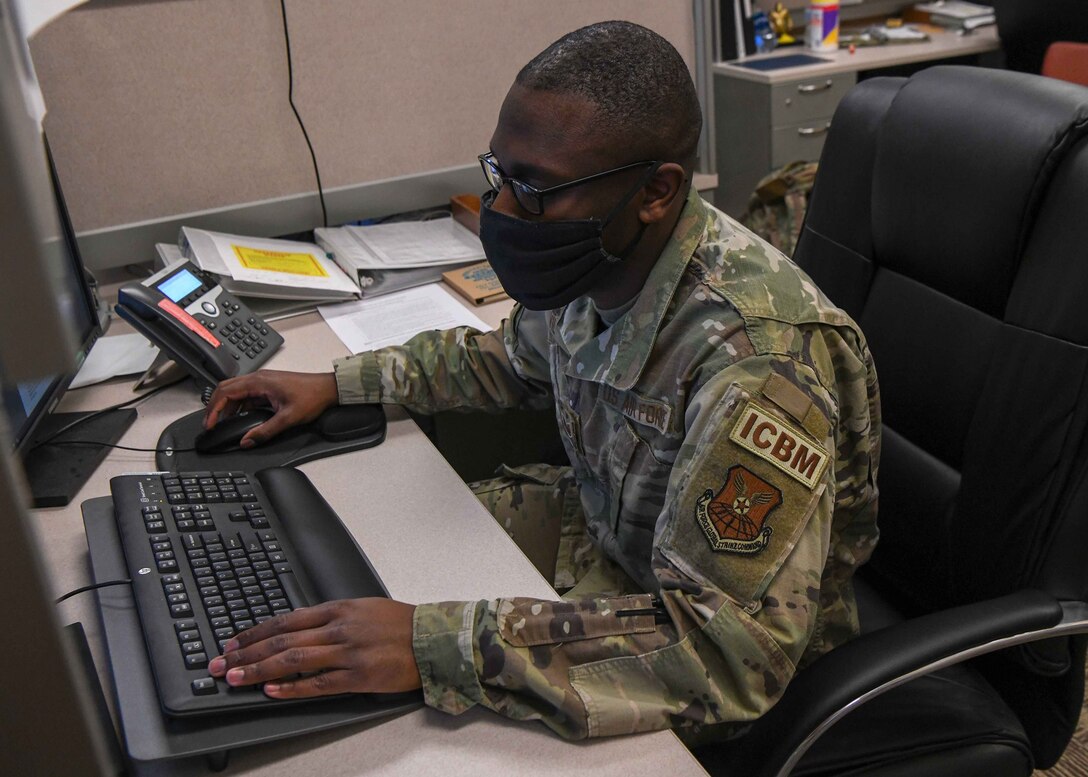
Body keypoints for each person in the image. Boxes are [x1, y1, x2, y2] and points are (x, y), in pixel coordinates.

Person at [204, 20, 880, 744]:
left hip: (720, 665)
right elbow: (507, 359)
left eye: (534, 189)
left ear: (656, 190)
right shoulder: (604, 262)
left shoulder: (760, 360)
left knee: (407, 708)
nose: (500, 212)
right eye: (500, 176)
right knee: (338, 563)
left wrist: (434, 645)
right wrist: (338, 383)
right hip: (608, 552)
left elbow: (726, 653)